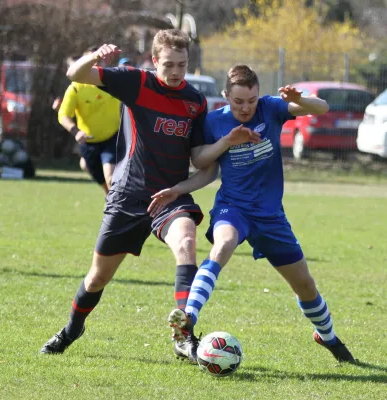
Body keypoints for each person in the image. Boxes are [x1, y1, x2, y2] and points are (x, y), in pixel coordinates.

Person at [39, 31, 260, 361]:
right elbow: (76, 74)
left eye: (182, 65)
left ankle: (184, 335)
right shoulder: (135, 82)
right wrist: (97, 56)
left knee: (186, 242)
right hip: (127, 196)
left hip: (169, 197)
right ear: (154, 61)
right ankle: (72, 329)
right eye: (168, 64)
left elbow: (205, 166)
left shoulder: (195, 102)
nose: (175, 72)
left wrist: (180, 188)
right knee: (98, 277)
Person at [148, 64, 356, 364]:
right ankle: (189, 316)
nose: (246, 107)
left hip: (270, 216)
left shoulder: (271, 108)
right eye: (238, 102)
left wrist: (301, 97)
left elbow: (321, 107)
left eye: (251, 100)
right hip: (233, 207)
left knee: (305, 284)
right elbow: (201, 163)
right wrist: (221, 148)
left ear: (259, 96)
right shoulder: (214, 122)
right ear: (226, 97)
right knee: (223, 244)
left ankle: (329, 338)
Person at [57, 48, 121, 194]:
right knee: (103, 183)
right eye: (93, 61)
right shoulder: (76, 88)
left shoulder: (113, 82)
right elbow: (63, 115)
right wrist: (76, 132)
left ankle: (117, 208)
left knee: (110, 178)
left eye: (100, 61)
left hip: (112, 138)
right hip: (89, 142)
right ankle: (113, 203)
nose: (97, 65)